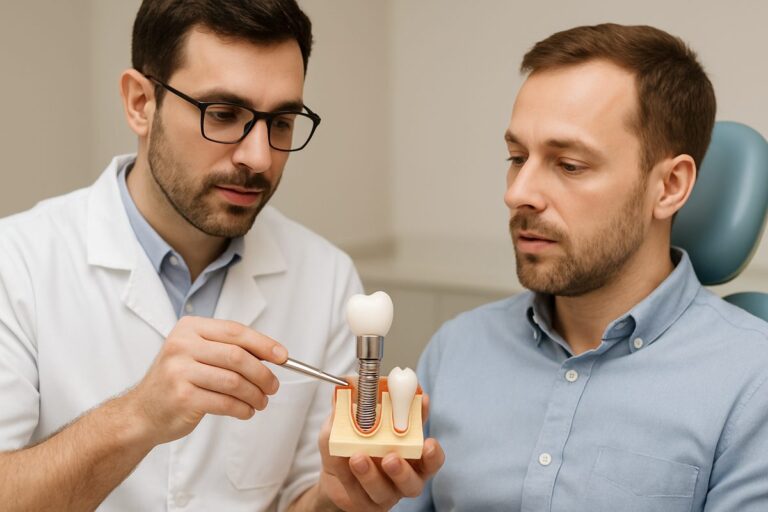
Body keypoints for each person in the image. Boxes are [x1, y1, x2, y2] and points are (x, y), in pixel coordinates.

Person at [0, 1, 442, 511]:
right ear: (141, 103)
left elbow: (298, 499)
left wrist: (334, 498)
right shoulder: (17, 266)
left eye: (282, 121)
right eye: (224, 114)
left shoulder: (325, 278)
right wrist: (137, 416)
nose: (259, 157)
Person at [397, 23, 768, 511]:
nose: (517, 193)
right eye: (516, 157)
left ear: (670, 186)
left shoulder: (751, 381)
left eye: (569, 165)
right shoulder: (456, 349)